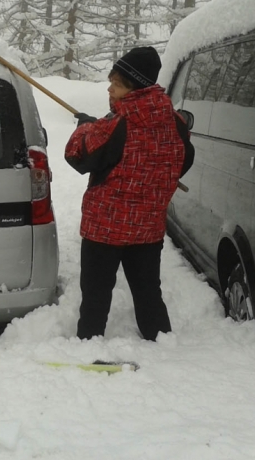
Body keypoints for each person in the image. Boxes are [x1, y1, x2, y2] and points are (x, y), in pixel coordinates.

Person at [65, 46, 194, 341]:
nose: (110, 88)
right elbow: (184, 160)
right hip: (147, 229)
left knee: (96, 295)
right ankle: (160, 343)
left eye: (117, 83)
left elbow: (78, 156)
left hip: (105, 230)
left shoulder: (116, 125)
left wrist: (85, 127)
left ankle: (88, 343)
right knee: (148, 291)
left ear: (134, 86)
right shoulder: (175, 121)